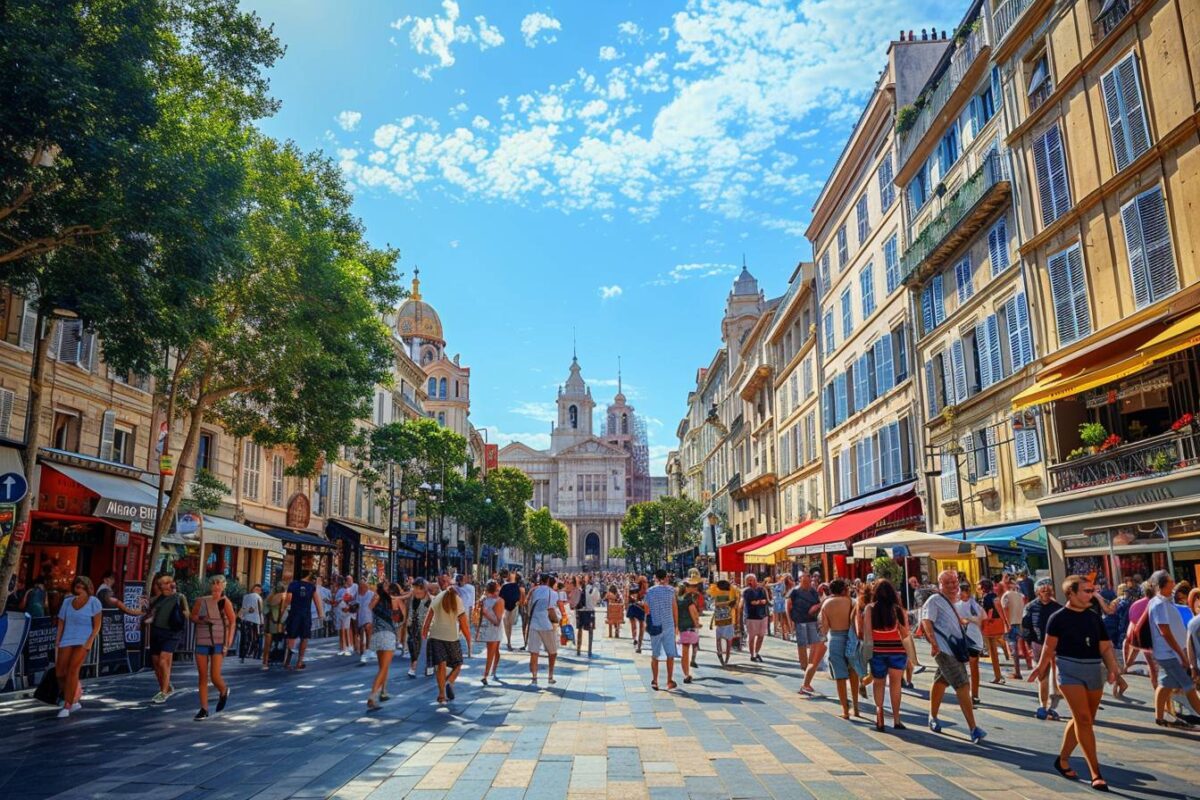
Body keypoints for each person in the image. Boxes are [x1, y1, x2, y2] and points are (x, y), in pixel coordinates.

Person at [1029, 576, 1125, 791]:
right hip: (1069, 670)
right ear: (1070, 593)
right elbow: (1048, 647)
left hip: (1093, 670)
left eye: (1092, 590)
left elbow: (1105, 647)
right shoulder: (1058, 618)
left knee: (1085, 719)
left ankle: (1062, 760)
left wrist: (1114, 670)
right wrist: (1041, 667)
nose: (1091, 594)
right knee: (1083, 718)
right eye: (1086, 590)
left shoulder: (1094, 618)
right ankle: (1095, 773)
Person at [922, 569, 986, 743]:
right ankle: (973, 728)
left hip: (954, 650)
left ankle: (932, 717)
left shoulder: (952, 601)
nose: (952, 586)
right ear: (940, 585)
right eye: (947, 583)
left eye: (954, 582)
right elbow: (926, 621)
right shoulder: (934, 600)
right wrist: (934, 643)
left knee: (941, 681)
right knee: (963, 685)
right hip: (944, 650)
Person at [1146, 570, 1200, 727]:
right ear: (1163, 584)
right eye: (1170, 581)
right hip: (1169, 653)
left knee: (1165, 683)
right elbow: (1165, 632)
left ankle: (1159, 717)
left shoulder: (1163, 602)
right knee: (1188, 685)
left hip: (1167, 653)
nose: (1173, 583)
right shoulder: (1159, 604)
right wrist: (1181, 654)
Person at [54, 576, 102, 718]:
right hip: (67, 638)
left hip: (83, 639)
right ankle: (73, 696)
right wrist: (58, 640)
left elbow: (97, 624)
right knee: (60, 672)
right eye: (77, 587)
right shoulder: (67, 602)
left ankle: (68, 704)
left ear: (88, 589)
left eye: (82, 587)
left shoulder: (94, 602)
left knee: (73, 670)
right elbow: (61, 622)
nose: (79, 589)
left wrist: (90, 639)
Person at [865, 578, 909, 731]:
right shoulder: (898, 609)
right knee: (896, 685)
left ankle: (879, 714)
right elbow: (906, 634)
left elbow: (867, 635)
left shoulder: (870, 609)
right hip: (897, 651)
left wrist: (866, 656)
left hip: (877, 651)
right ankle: (897, 719)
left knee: (879, 683)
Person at [191, 575, 235, 720]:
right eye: (213, 583)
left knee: (215, 675)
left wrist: (228, 643)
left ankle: (223, 690)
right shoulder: (202, 601)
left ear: (224, 586)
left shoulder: (225, 602)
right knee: (202, 676)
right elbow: (193, 617)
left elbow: (232, 622)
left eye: (219, 583)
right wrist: (202, 619)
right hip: (202, 639)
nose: (216, 586)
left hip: (218, 641)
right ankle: (204, 709)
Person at [1022, 577, 1064, 720]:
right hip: (1038, 645)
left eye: (1049, 590)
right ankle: (1043, 706)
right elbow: (1026, 628)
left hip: (1056, 646)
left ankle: (1052, 706)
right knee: (1042, 676)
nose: (1046, 592)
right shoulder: (1030, 607)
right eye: (1043, 590)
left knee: (1058, 676)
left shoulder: (1058, 608)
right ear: (1037, 592)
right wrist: (1028, 646)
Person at [817, 579, 860, 718]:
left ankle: (845, 711)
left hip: (835, 639)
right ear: (843, 590)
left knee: (840, 676)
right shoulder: (852, 602)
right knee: (853, 672)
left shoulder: (826, 604)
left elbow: (824, 627)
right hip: (850, 638)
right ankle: (856, 707)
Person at [422, 584, 470, 705]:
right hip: (451, 637)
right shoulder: (457, 600)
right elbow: (463, 622)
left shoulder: (437, 597)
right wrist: (469, 639)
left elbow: (428, 619)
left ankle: (442, 695)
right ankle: (450, 681)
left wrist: (424, 633)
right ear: (457, 593)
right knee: (458, 664)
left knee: (441, 666)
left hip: (435, 635)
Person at [146, 574, 188, 702]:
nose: (163, 585)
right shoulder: (157, 599)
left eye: (166, 583)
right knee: (156, 664)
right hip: (156, 632)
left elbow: (187, 612)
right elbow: (147, 611)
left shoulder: (180, 597)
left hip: (172, 633)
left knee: (163, 661)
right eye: (161, 583)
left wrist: (189, 616)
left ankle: (163, 692)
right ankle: (166, 687)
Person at [645, 569, 680, 691]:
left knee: (655, 655)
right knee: (670, 655)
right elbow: (674, 608)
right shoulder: (671, 591)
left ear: (655, 578)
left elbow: (647, 609)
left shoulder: (649, 591)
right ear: (665, 578)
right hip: (668, 625)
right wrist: (676, 625)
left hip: (655, 625)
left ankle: (655, 681)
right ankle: (669, 681)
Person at [366, 582, 399, 710]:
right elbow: (396, 618)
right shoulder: (392, 600)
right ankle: (372, 695)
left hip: (377, 634)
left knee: (382, 667)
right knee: (384, 668)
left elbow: (369, 607)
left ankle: (383, 692)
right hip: (388, 634)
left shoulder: (377, 598)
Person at [282, 570, 323, 670]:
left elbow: (288, 599)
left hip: (294, 614)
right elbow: (317, 601)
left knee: (291, 636)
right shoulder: (311, 587)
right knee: (304, 637)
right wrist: (320, 614)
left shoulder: (293, 585)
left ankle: (287, 662)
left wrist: (282, 611)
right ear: (308, 575)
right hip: (305, 615)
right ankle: (299, 662)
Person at [787, 573, 822, 685]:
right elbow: (788, 606)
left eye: (808, 580)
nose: (807, 582)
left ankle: (811, 664)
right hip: (799, 620)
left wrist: (816, 607)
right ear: (800, 580)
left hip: (812, 620)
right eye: (804, 580)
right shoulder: (795, 591)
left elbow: (818, 604)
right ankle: (804, 665)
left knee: (814, 643)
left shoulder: (813, 591)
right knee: (802, 644)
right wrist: (790, 621)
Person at [526, 573, 559, 684]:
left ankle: (534, 677)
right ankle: (550, 676)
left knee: (534, 652)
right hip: (546, 625)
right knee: (552, 652)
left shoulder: (535, 591)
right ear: (549, 581)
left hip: (534, 623)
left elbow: (529, 606)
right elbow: (551, 610)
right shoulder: (553, 593)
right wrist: (557, 621)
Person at [956, 581, 984, 705]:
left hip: (973, 638)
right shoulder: (957, 604)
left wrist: (967, 620)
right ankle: (967, 693)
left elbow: (980, 618)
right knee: (962, 667)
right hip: (961, 638)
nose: (959, 594)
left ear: (967, 592)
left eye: (961, 591)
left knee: (973, 666)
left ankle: (974, 694)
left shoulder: (973, 605)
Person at [978, 578, 1008, 685]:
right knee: (994, 648)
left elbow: (989, 611)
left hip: (990, 624)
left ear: (983, 587)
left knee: (992, 651)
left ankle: (998, 676)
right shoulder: (995, 596)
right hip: (998, 622)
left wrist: (984, 623)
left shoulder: (986, 597)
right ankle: (998, 674)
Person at [1001, 578, 1028, 680]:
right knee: (1020, 646)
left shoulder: (1006, 596)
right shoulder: (1020, 595)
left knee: (1013, 649)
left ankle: (1017, 672)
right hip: (1019, 621)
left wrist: (1007, 623)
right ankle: (1021, 669)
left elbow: (1006, 609)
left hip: (1011, 623)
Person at [406, 579, 433, 678]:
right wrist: (409, 623)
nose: (415, 591)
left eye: (417, 589)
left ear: (424, 589)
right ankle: (414, 665)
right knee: (412, 643)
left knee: (428, 646)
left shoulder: (431, 600)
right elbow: (411, 612)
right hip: (415, 625)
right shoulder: (414, 599)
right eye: (414, 589)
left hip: (429, 627)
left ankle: (428, 665)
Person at [478, 580, 503, 684]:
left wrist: (485, 613)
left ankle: (488, 673)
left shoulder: (484, 599)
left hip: (489, 628)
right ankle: (488, 673)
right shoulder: (498, 601)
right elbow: (497, 621)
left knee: (493, 651)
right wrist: (486, 613)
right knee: (493, 651)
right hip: (493, 629)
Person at [677, 577, 701, 683]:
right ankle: (686, 674)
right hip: (689, 626)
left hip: (682, 626)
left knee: (685, 651)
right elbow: (693, 612)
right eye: (693, 586)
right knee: (687, 651)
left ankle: (686, 673)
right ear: (687, 587)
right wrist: (697, 624)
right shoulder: (688, 599)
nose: (696, 587)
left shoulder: (679, 598)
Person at [709, 578, 737, 666]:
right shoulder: (731, 594)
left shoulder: (716, 595)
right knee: (729, 641)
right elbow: (734, 607)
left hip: (719, 621)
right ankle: (726, 660)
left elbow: (715, 606)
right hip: (728, 621)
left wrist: (711, 622)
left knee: (718, 639)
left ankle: (720, 654)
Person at [741, 574, 769, 663]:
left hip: (763, 616)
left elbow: (765, 601)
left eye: (752, 580)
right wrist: (760, 602)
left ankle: (757, 652)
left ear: (755, 580)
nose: (750, 582)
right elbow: (752, 602)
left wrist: (759, 602)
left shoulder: (761, 590)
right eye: (748, 580)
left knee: (761, 636)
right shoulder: (746, 591)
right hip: (751, 616)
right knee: (752, 637)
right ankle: (752, 654)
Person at [262, 582, 286, 670]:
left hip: (269, 621)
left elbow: (264, 610)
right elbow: (284, 609)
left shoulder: (269, 597)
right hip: (279, 622)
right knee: (280, 642)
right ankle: (282, 661)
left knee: (267, 643)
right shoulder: (283, 596)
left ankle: (265, 661)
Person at [237, 583, 264, 663]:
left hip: (245, 619)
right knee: (256, 638)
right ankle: (254, 654)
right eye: (258, 590)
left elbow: (243, 608)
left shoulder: (245, 597)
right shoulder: (259, 598)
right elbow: (260, 610)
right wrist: (262, 621)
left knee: (245, 638)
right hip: (256, 620)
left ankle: (243, 655)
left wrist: (240, 616)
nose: (259, 591)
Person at [498, 571, 524, 651]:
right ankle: (509, 641)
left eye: (514, 575)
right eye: (511, 575)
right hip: (505, 607)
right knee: (506, 625)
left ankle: (509, 641)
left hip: (514, 607)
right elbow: (500, 596)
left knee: (510, 624)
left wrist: (519, 603)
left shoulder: (518, 586)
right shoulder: (504, 586)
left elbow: (521, 596)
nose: (513, 576)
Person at [576, 575, 600, 656]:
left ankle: (578, 650)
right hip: (590, 611)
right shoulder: (594, 589)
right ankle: (589, 650)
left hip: (580, 611)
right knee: (590, 631)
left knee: (579, 630)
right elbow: (596, 600)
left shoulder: (579, 589)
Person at [456, 574, 477, 657]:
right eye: (458, 582)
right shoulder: (455, 588)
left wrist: (472, 612)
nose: (459, 583)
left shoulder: (471, 588)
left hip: (465, 611)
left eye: (460, 581)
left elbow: (472, 600)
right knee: (456, 631)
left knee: (467, 631)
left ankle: (469, 651)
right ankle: (457, 651)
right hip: (457, 611)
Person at [336, 575, 357, 656]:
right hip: (341, 611)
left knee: (348, 629)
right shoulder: (340, 590)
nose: (349, 582)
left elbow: (352, 599)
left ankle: (349, 646)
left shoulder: (354, 587)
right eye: (348, 580)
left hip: (349, 610)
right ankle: (343, 647)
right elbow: (337, 600)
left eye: (351, 580)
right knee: (342, 629)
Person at [356, 579, 375, 664]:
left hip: (369, 617)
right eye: (360, 586)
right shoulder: (358, 595)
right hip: (360, 617)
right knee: (361, 634)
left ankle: (367, 651)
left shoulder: (371, 594)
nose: (361, 588)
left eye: (363, 586)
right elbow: (356, 605)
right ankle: (363, 652)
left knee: (368, 633)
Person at [627, 576, 647, 653]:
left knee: (641, 626)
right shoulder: (635, 588)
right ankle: (635, 639)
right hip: (634, 607)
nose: (645, 583)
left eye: (645, 582)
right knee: (635, 625)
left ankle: (639, 645)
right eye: (644, 582)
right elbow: (631, 597)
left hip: (640, 608)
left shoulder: (646, 591)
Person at [772, 574, 792, 641]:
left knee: (785, 618)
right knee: (781, 619)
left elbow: (784, 593)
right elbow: (774, 591)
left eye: (779, 577)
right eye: (777, 577)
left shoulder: (785, 584)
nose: (778, 578)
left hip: (783, 601)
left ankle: (788, 633)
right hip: (777, 602)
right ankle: (783, 634)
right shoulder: (777, 584)